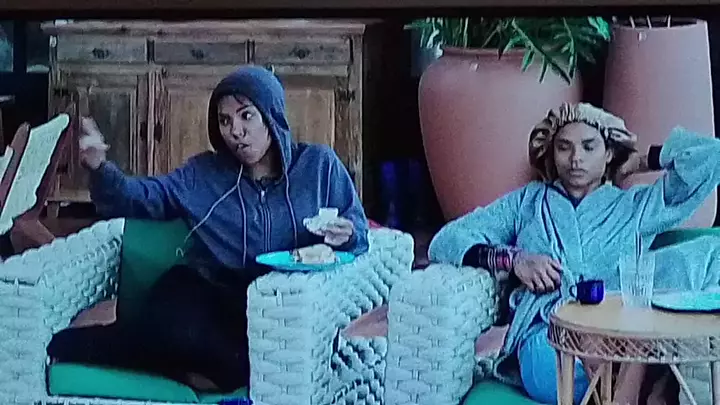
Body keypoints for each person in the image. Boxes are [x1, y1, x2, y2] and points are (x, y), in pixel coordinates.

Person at [46, 65, 370, 392]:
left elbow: (357, 228)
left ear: (271, 116)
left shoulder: (318, 167)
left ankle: (175, 368)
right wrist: (100, 168)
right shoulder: (204, 174)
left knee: (248, 364)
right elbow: (140, 198)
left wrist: (348, 234)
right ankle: (71, 345)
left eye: (246, 116)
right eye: (225, 121)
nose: (236, 131)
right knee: (180, 331)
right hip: (203, 290)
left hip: (271, 306)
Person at [428, 102, 720, 405]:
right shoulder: (528, 202)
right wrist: (514, 260)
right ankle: (644, 385)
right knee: (575, 364)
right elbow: (447, 240)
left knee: (707, 255)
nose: (575, 158)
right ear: (551, 152)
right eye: (564, 147)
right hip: (549, 338)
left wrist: (645, 160)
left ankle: (634, 382)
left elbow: (711, 157)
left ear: (608, 153)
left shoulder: (634, 206)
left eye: (589, 147)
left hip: (622, 332)